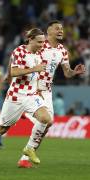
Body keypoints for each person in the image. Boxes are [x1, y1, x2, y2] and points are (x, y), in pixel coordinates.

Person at [18, 20, 86, 168]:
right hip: (33, 88)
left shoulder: (62, 50)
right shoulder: (40, 46)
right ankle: (21, 112)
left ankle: (25, 157)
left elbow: (67, 73)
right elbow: (24, 58)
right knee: (44, 121)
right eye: (57, 28)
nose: (60, 30)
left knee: (48, 124)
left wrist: (75, 72)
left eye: (61, 28)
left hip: (47, 91)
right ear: (48, 32)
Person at [0, 28, 50, 170]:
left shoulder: (39, 54)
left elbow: (36, 75)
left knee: (45, 119)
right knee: (3, 128)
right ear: (30, 40)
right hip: (16, 95)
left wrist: (39, 89)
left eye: (43, 42)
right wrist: (34, 69)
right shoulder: (20, 51)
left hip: (32, 95)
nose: (42, 45)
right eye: (39, 42)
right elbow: (15, 71)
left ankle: (29, 149)